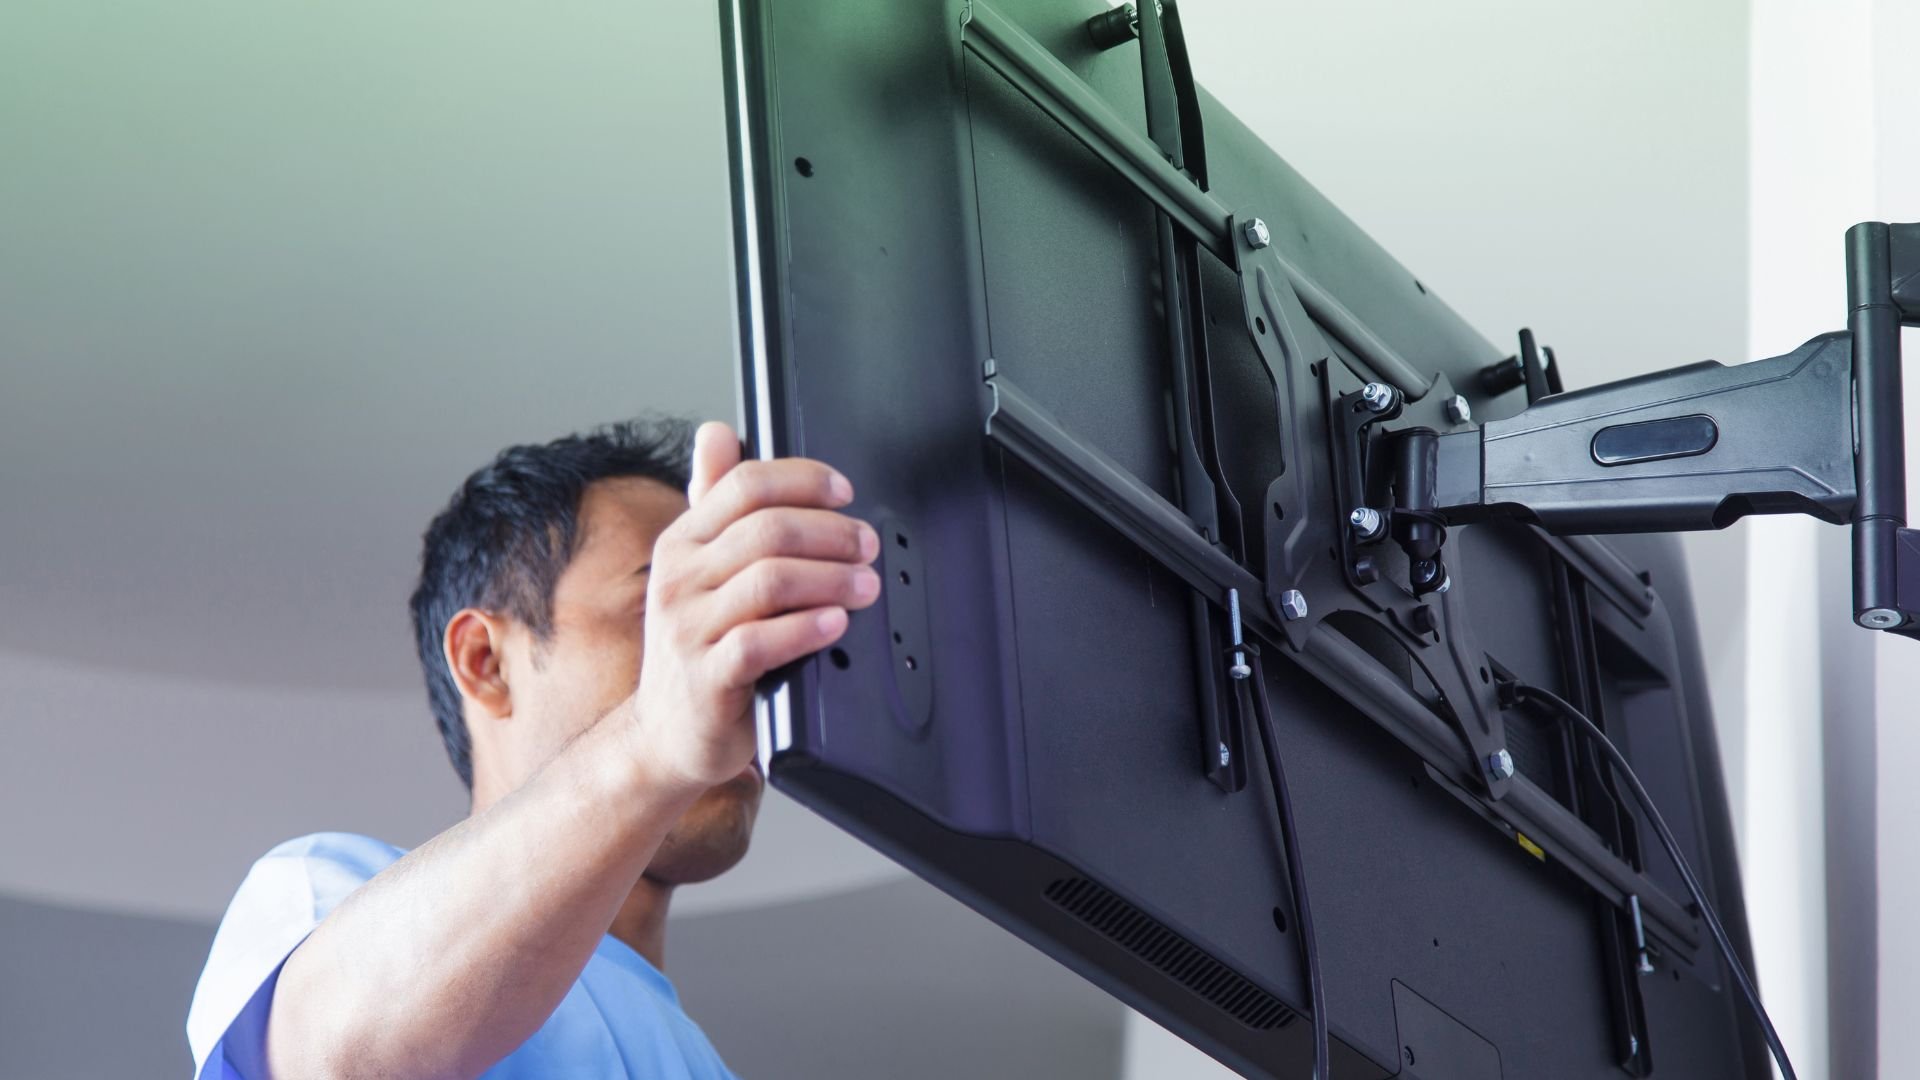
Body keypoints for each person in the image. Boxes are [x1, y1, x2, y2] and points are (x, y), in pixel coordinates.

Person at [185, 418, 881, 1079]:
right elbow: (337, 1055)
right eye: (658, 612)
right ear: (485, 661)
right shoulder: (316, 898)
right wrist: (652, 741)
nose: (731, 662)